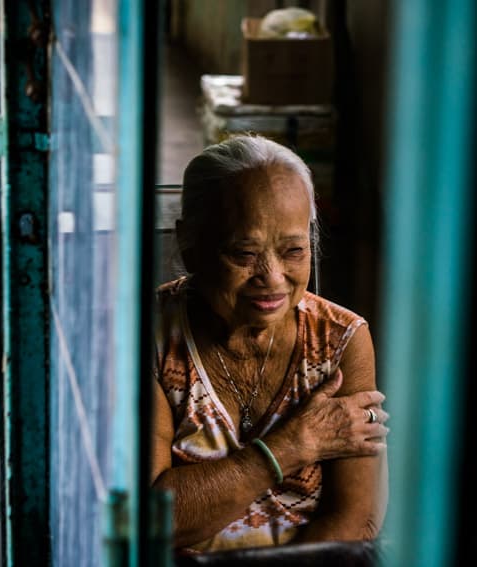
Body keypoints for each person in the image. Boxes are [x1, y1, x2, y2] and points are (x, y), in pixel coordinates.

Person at [151, 134, 389, 554]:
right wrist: (293, 445)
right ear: (190, 245)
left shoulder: (341, 340)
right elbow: (152, 520)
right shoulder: (149, 334)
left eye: (293, 250)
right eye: (244, 254)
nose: (273, 277)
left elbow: (356, 519)